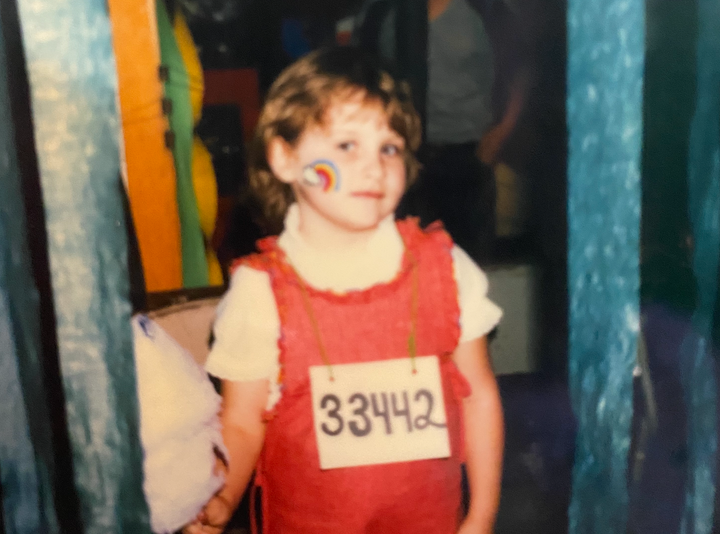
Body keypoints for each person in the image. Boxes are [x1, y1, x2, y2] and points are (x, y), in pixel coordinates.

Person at [184, 46, 504, 534]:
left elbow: (478, 394)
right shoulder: (262, 291)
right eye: (346, 145)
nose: (374, 166)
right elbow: (244, 422)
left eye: (389, 148)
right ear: (285, 158)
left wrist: (480, 515)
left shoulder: (445, 268)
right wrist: (223, 497)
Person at [354, 0, 528, 263]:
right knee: (404, 265)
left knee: (467, 265)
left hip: (467, 156)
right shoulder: (381, 10)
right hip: (401, 158)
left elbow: (522, 69)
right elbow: (358, 71)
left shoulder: (486, 8)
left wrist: (502, 132)